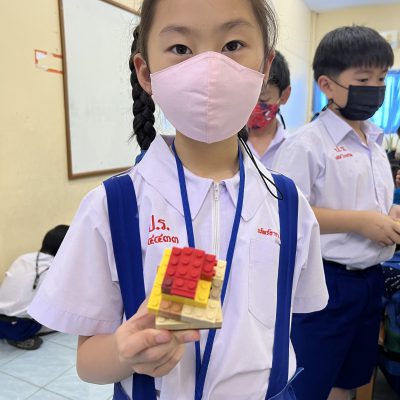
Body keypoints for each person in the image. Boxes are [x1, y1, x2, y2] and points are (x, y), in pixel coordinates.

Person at [29, 1, 328, 399]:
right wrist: (125, 351)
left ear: (264, 67)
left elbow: (293, 320)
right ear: (145, 72)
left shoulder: (289, 204)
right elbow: (89, 363)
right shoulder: (114, 206)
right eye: (181, 48)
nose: (209, 68)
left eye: (233, 45)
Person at [273, 25, 398, 400]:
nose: (376, 88)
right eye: (363, 79)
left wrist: (389, 214)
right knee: (310, 382)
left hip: (370, 280)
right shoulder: (306, 144)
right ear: (327, 85)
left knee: (349, 378)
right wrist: (359, 223)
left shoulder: (373, 139)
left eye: (381, 78)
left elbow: (369, 202)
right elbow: (286, 213)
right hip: (326, 281)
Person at [0, 225, 69, 350]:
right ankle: (22, 336)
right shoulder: (58, 269)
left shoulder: (23, 258)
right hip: (19, 326)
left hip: (1, 320)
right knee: (68, 319)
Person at [246, 50, 291, 169]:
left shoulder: (293, 147)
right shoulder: (228, 144)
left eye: (263, 99)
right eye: (248, 98)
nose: (253, 107)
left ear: (284, 96)